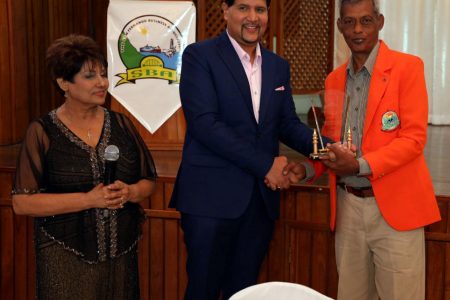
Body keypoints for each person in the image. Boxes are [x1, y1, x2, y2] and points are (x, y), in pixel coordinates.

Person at [169, 0, 330, 299]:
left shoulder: (278, 65)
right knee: (202, 289)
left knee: (246, 291)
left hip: (258, 203)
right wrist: (266, 165)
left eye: (260, 9)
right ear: (225, 10)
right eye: (243, 8)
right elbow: (206, 125)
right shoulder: (199, 56)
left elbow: (287, 125)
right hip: (210, 201)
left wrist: (329, 150)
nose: (253, 18)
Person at [11, 34, 157, 299]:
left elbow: (148, 180)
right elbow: (22, 203)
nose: (102, 83)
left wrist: (130, 193)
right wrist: (89, 200)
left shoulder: (122, 125)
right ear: (63, 83)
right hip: (64, 253)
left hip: (121, 255)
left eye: (104, 74)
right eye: (90, 76)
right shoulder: (42, 131)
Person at [318, 0, 441, 299]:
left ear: (380, 21)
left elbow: (413, 139)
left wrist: (359, 165)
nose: (357, 30)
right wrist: (310, 167)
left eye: (366, 21)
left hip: (395, 209)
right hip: (348, 208)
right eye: (349, 22)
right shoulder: (334, 79)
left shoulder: (408, 68)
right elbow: (330, 142)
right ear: (339, 27)